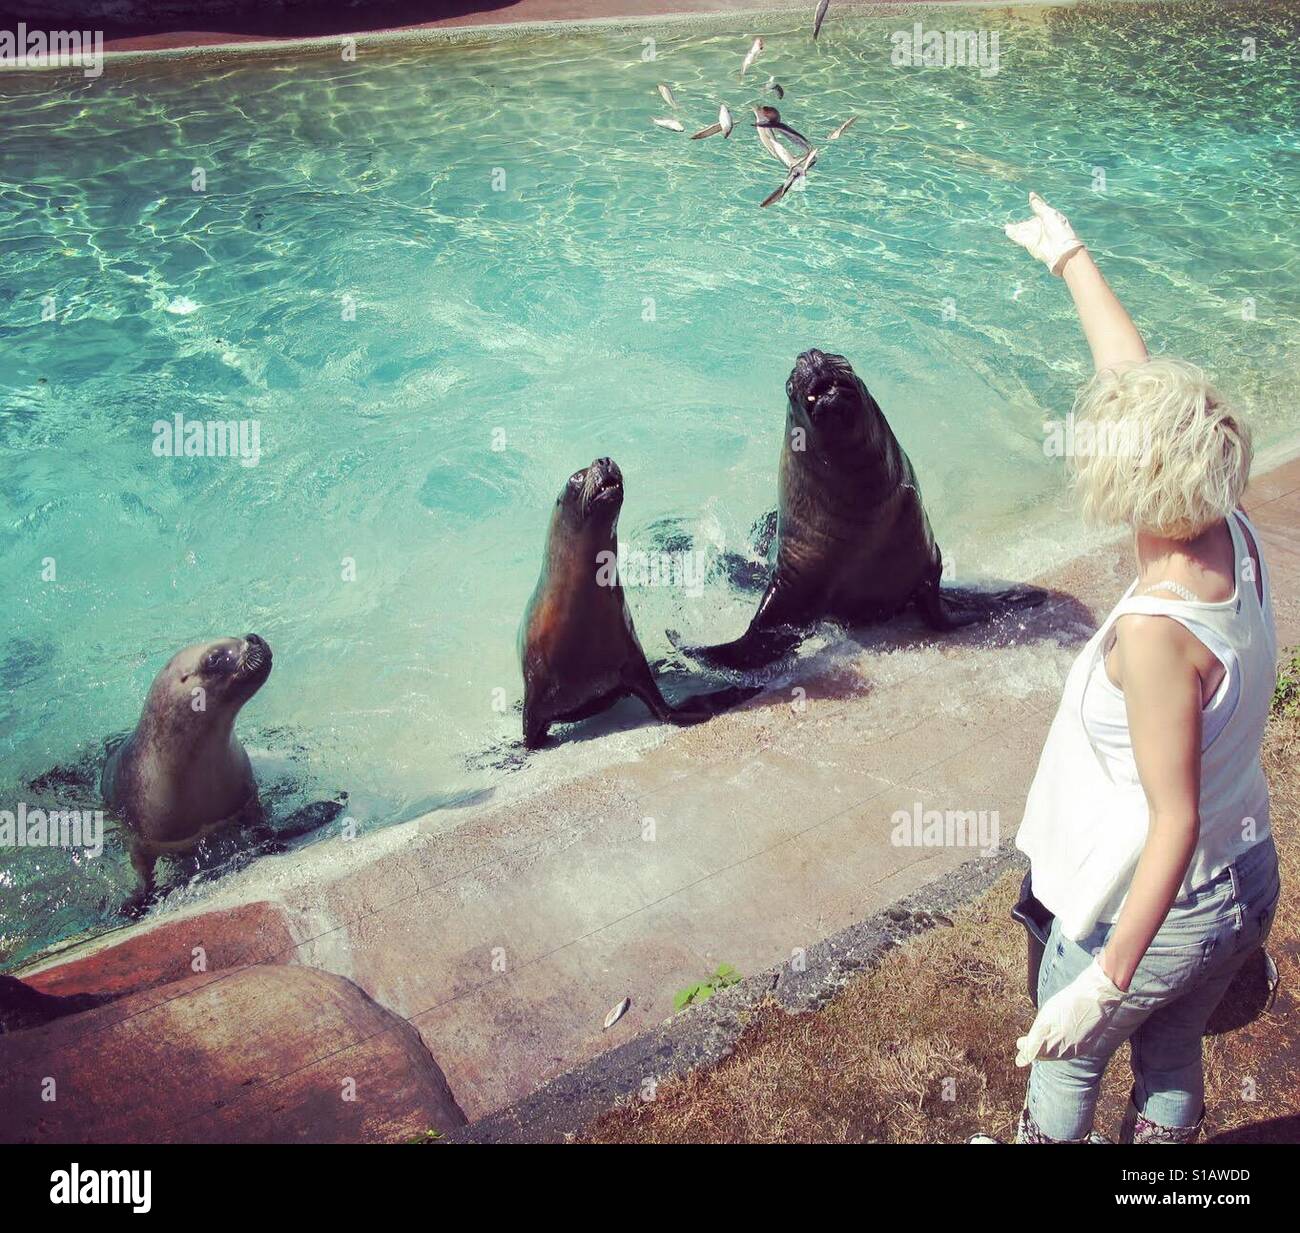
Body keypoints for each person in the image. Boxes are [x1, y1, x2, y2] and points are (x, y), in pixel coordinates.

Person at [990, 193, 1280, 1144]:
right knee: (1171, 1051)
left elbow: (1175, 819)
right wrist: (1070, 256)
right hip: (1244, 881)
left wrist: (1100, 982)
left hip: (1161, 900)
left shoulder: (1157, 634)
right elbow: (1139, 383)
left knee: (1064, 1070)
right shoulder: (1226, 529)